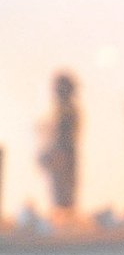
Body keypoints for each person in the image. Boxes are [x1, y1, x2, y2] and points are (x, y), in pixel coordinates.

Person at [40, 71, 81, 225]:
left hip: (64, 151)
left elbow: (65, 133)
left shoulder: (67, 110)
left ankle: (65, 212)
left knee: (64, 184)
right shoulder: (63, 109)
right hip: (62, 151)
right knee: (61, 184)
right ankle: (63, 212)